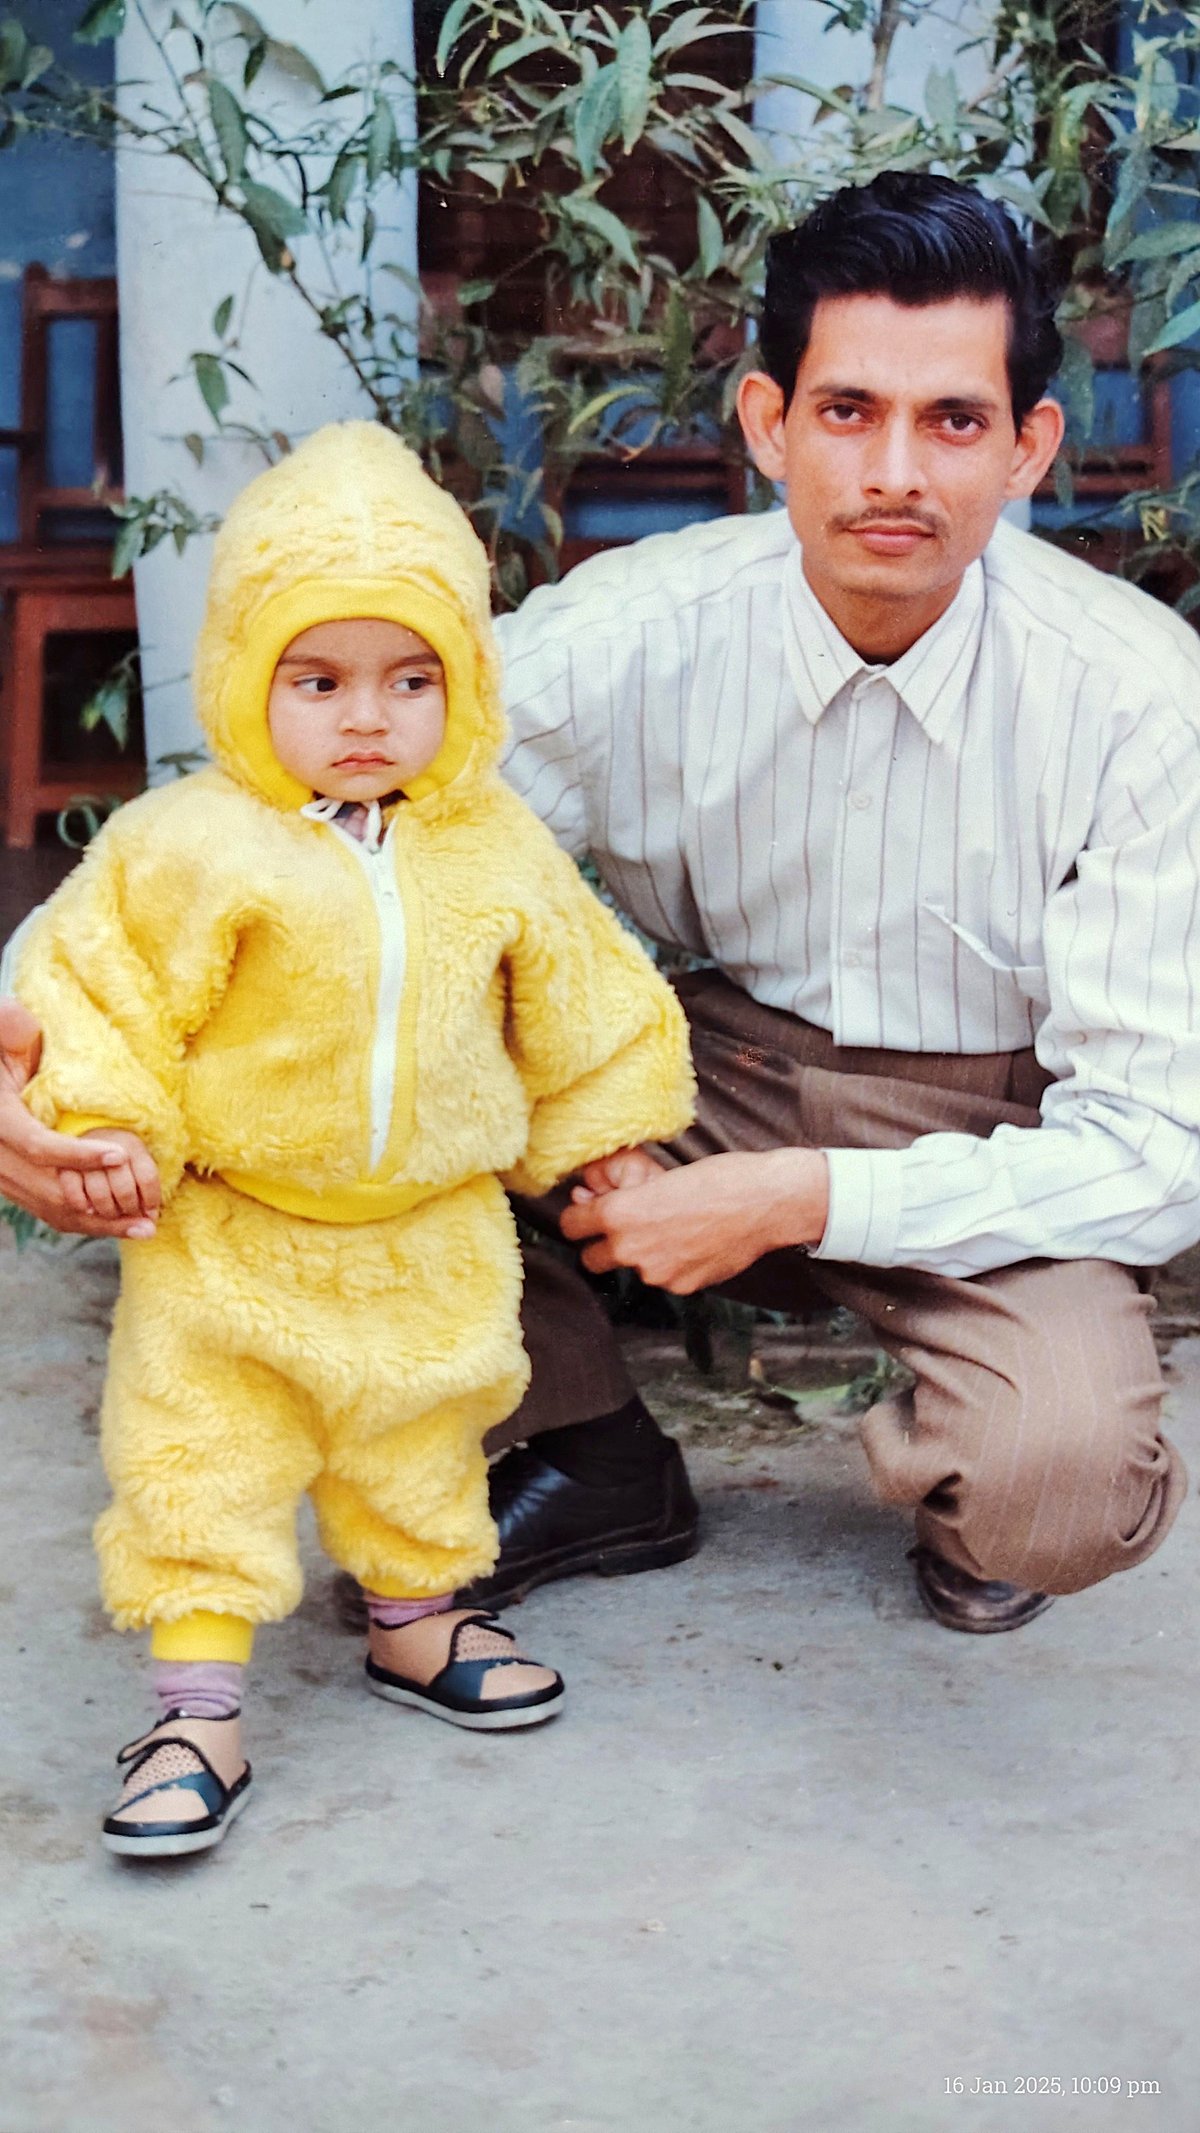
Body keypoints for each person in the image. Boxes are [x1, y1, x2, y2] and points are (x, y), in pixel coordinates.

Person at [4, 171, 1200, 1633]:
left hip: (1001, 1115)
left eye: (953, 421)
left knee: (1060, 1480)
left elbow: (1156, 1149)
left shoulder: (1141, 701)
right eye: (847, 411)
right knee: (315, 1061)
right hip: (708, 1076)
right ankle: (582, 1445)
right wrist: (34, 1044)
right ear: (769, 423)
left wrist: (798, 1194)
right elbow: (263, 829)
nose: (895, 471)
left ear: (1027, 448)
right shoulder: (643, 632)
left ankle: (983, 1493)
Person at [8, 420, 694, 1857]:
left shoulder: (493, 844)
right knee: (203, 1462)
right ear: (249, 679)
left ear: (466, 681)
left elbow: (585, 990)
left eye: (411, 677)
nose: (366, 717)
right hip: (230, 1229)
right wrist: (105, 1124)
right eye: (317, 680)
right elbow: (92, 984)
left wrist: (606, 1133)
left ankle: (418, 1620)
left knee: (427, 1445)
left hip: (428, 1231)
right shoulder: (187, 845)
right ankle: (196, 1704)